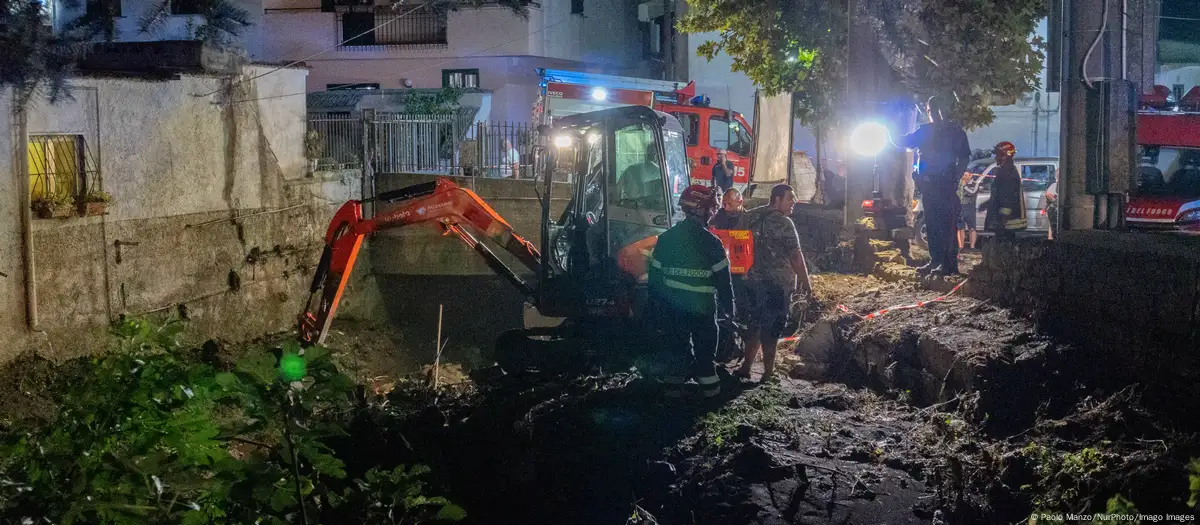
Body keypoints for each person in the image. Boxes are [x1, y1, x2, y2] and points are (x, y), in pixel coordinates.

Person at [647, 185, 735, 399]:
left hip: (673, 310)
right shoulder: (712, 243)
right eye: (710, 209)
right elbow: (724, 282)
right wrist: (730, 312)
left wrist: (656, 310)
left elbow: (655, 280)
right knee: (705, 360)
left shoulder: (666, 238)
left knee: (675, 356)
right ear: (701, 210)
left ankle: (672, 404)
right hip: (703, 311)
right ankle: (711, 406)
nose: (712, 214)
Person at [733, 184, 812, 382]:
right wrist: (806, 282)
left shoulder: (748, 217)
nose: (794, 202)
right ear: (777, 199)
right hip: (776, 285)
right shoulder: (784, 223)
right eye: (790, 198)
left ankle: (746, 367)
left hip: (749, 282)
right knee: (772, 329)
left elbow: (736, 246)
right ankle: (768, 373)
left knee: (754, 325)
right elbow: (795, 256)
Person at [895, 96, 972, 276]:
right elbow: (964, 157)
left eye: (929, 110)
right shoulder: (953, 131)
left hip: (939, 184)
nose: (930, 114)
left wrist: (887, 130)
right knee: (936, 224)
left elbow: (902, 142)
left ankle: (946, 264)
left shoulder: (938, 131)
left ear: (932, 111)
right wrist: (955, 178)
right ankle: (938, 262)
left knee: (941, 224)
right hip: (935, 185)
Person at [979, 141, 1027, 238]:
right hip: (1003, 221)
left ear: (1004, 155)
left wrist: (1003, 219)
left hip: (1006, 222)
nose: (995, 157)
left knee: (1004, 246)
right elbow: (1000, 194)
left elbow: (1008, 196)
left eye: (997, 154)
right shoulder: (1005, 170)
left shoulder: (1008, 171)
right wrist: (986, 204)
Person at [957, 171, 979, 250]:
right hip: (960, 207)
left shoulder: (975, 184)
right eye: (963, 175)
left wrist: (964, 185)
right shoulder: (960, 183)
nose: (964, 176)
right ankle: (961, 246)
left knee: (972, 228)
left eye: (966, 175)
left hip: (970, 207)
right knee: (960, 228)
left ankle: (972, 247)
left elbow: (971, 192)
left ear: (970, 175)